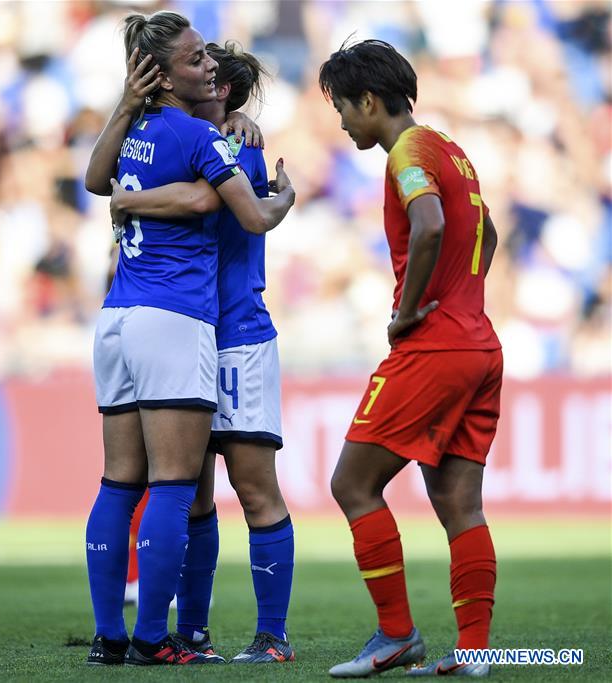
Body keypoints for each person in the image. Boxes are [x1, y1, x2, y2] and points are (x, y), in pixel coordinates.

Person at [82, 11, 295, 667]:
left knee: (245, 487)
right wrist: (285, 200)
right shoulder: (198, 140)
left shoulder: (229, 145)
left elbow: (114, 185)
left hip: (229, 337)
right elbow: (226, 207)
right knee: (187, 490)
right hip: (182, 327)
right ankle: (181, 631)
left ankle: (268, 636)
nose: (211, 74)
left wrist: (125, 200)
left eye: (216, 71)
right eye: (199, 62)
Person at [318, 39, 501, 678]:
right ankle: (474, 653)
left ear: (369, 100)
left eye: (344, 107)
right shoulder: (452, 148)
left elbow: (428, 225)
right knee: (459, 503)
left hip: (436, 345)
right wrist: (464, 294)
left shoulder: (408, 152)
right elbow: (490, 233)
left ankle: (395, 635)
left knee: (352, 484)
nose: (342, 122)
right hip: (480, 343)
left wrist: (408, 311)